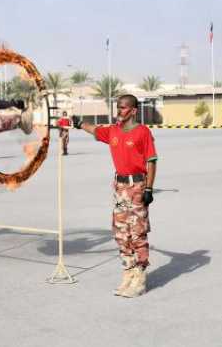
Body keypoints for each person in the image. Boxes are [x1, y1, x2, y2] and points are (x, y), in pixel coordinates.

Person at [72, 94, 157, 298]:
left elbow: (151, 161)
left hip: (137, 186)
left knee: (137, 232)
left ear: (134, 110)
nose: (119, 111)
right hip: (119, 187)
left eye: (124, 108)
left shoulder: (142, 132)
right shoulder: (113, 131)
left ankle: (140, 276)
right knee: (120, 232)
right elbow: (95, 130)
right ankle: (128, 272)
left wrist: (149, 189)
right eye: (118, 107)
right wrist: (79, 123)